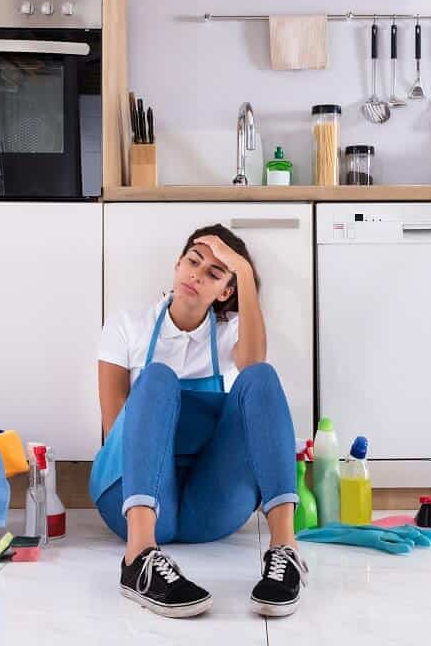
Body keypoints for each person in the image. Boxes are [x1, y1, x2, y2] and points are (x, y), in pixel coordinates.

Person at [90, 224, 307, 619]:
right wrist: (160, 397)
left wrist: (243, 270)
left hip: (209, 507)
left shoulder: (233, 335)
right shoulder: (126, 326)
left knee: (261, 375)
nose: (196, 274)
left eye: (214, 273)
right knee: (157, 377)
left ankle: (285, 551)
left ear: (226, 291)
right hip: (135, 500)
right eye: (193, 261)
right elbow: (113, 428)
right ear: (177, 264)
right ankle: (138, 559)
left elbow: (252, 363)